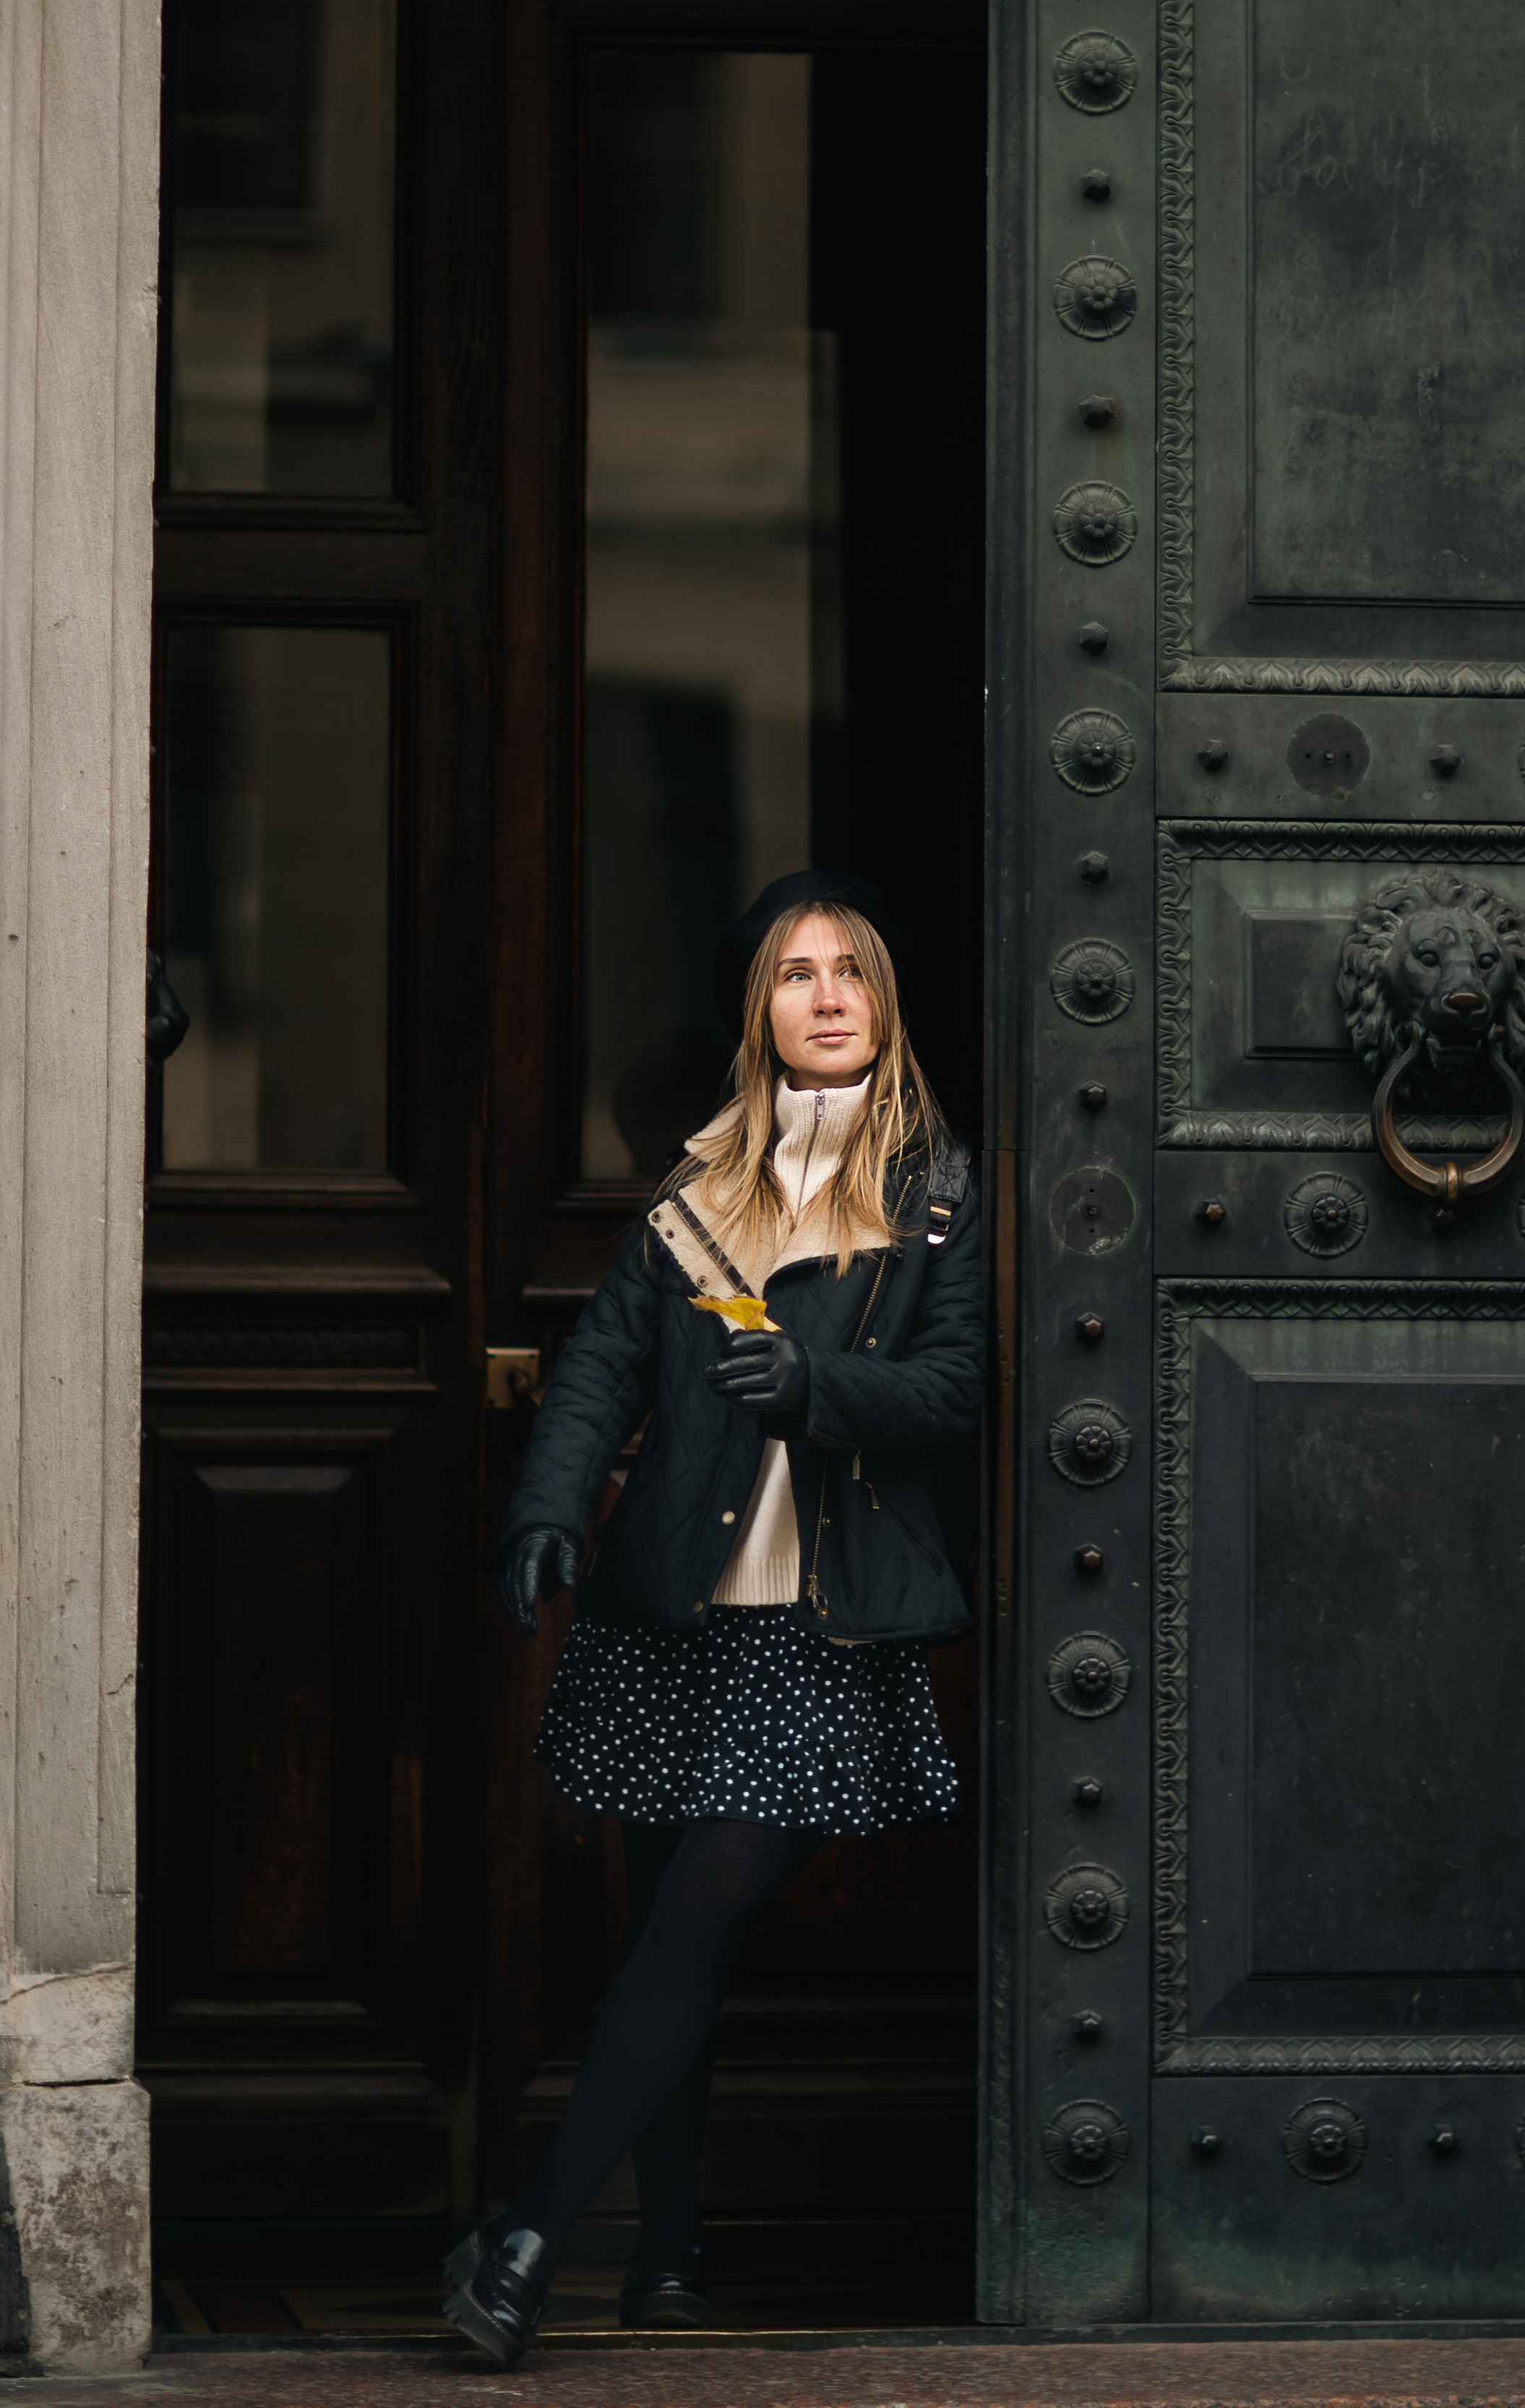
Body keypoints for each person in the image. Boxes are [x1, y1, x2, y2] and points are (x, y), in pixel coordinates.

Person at [442, 870, 984, 2368]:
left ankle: (526, 2237)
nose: (824, 993)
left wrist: (820, 1390)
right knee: (660, 1942)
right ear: (757, 1009)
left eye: (850, 972)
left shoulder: (935, 1187)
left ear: (882, 1003)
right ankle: (665, 2256)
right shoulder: (696, 1195)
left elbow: (950, 1392)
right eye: (794, 972)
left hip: (820, 1628)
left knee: (692, 1919)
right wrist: (547, 1510)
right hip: (669, 1615)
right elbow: (602, 1369)